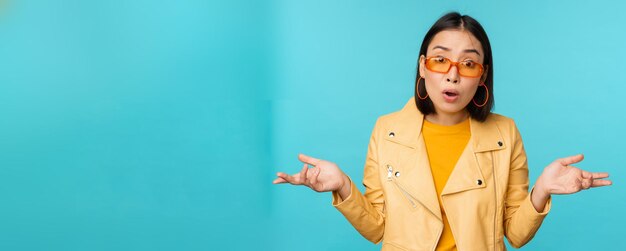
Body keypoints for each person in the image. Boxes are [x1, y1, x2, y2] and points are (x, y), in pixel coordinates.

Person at [272, 12, 612, 251]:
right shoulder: (387, 130)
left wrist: (542, 191)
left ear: (482, 75)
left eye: (468, 63)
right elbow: (378, 229)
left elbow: (515, 235)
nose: (453, 75)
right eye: (440, 60)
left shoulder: (504, 133)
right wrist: (343, 187)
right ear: (423, 67)